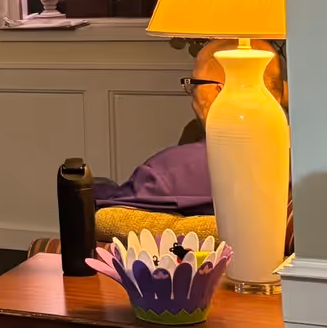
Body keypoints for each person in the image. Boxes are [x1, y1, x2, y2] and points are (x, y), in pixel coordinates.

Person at [93, 39, 288, 215]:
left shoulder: (169, 173)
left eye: (194, 83)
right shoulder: (302, 163)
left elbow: (108, 215)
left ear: (220, 90)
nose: (191, 93)